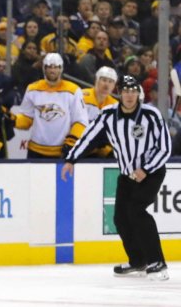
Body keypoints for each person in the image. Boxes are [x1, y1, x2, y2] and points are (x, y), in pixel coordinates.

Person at [62, 75, 171, 280]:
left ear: (139, 93)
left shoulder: (151, 114)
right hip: (127, 174)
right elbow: (89, 137)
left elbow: (164, 148)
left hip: (152, 172)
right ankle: (138, 261)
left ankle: (158, 262)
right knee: (120, 218)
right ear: (119, 93)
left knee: (136, 210)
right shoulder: (108, 115)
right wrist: (71, 159)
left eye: (133, 90)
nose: (130, 95)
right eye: (126, 90)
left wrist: (145, 169)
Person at [12, 53, 87, 158]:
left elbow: (80, 121)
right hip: (35, 150)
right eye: (49, 67)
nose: (52, 70)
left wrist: (72, 141)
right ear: (44, 68)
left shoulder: (73, 90)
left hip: (62, 150)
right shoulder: (33, 89)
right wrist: (13, 120)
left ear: (61, 69)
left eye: (56, 67)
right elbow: (27, 118)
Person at [72, 66, 118, 158]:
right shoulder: (82, 96)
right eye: (104, 80)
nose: (107, 85)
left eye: (110, 82)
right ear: (96, 80)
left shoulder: (115, 105)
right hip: (76, 147)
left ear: (114, 86)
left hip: (97, 152)